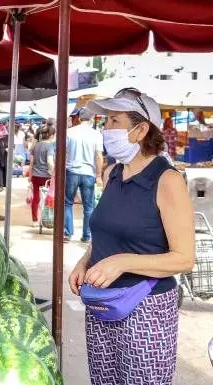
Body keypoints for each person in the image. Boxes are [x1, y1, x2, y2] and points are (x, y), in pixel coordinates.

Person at [69, 88, 194, 385]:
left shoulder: (168, 180)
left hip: (146, 308)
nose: (105, 129)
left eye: (113, 121)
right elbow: (107, 230)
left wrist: (123, 262)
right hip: (101, 304)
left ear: (140, 130)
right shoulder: (111, 173)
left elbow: (185, 258)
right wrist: (84, 261)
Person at [64, 108, 104, 242]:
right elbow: (98, 155)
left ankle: (67, 233)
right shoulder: (96, 134)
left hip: (72, 172)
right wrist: (98, 175)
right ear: (92, 120)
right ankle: (87, 235)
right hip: (89, 173)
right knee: (88, 206)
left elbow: (63, 153)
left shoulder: (69, 132)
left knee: (68, 203)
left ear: (79, 119)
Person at [28, 124, 55, 226]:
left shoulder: (36, 146)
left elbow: (31, 163)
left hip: (35, 176)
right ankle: (48, 219)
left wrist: (30, 176)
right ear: (51, 135)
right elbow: (49, 161)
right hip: (46, 176)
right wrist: (54, 172)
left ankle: (34, 220)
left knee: (36, 198)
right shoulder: (49, 146)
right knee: (49, 197)